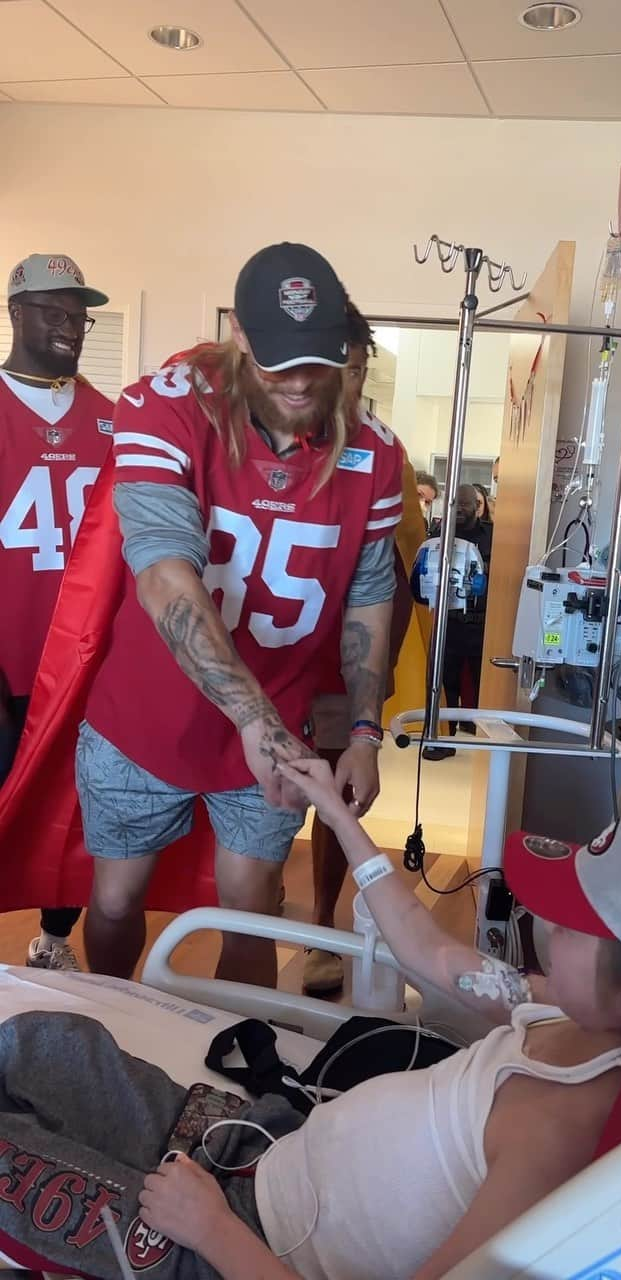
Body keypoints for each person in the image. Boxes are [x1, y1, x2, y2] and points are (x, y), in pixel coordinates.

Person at [134, 759, 621, 1280]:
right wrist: (338, 816)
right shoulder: (560, 1008)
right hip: (272, 1153)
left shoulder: (555, 1132)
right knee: (59, 1043)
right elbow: (429, 950)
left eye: (569, 927)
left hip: (250, 1241)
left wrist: (213, 1230)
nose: (546, 926)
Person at [77, 243, 404, 988]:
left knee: (249, 904)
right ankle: (111, 1015)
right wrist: (250, 718)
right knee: (118, 896)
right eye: (278, 361)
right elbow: (164, 573)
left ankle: (234, 1059)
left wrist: (362, 732)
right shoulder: (162, 405)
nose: (299, 382)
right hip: (149, 713)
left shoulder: (374, 451)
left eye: (318, 360)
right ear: (240, 340)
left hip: (280, 716)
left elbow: (369, 595)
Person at [303, 303, 423, 996]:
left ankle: (320, 923)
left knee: (335, 794)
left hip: (337, 662)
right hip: (262, 657)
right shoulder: (250, 442)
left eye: (359, 371)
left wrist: (367, 701)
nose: (348, 387)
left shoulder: (382, 455)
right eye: (336, 370)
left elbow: (400, 577)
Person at [0, 253, 112, 970]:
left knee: (74, 807)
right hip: (6, 646)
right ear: (15, 312)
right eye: (55, 310)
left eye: (80, 314)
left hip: (80, 652)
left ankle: (54, 938)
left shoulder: (110, 418)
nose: (71, 325)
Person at [423, 482, 494, 761]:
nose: (460, 510)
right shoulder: (438, 535)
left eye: (465, 504)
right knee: (443, 684)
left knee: (484, 685)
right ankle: (441, 739)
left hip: (482, 624)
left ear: (477, 506)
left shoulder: (493, 536)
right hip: (448, 623)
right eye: (456, 504)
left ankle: (486, 745)